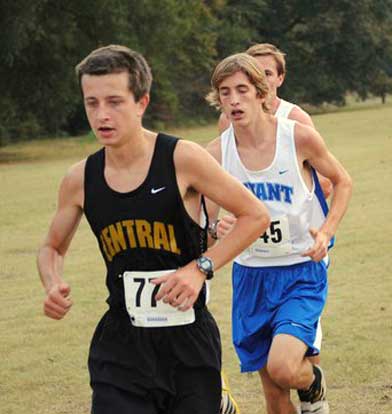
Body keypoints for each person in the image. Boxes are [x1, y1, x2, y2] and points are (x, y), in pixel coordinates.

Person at [37, 45, 270, 414]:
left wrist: (200, 269)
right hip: (122, 343)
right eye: (92, 103)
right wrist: (52, 282)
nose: (102, 115)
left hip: (187, 339)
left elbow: (255, 216)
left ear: (142, 101)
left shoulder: (182, 158)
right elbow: (52, 246)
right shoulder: (80, 178)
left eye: (114, 101)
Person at [205, 53, 352, 414]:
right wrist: (216, 228)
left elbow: (342, 181)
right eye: (225, 93)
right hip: (251, 276)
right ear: (218, 100)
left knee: (284, 367)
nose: (234, 100)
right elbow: (204, 230)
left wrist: (326, 231)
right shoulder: (214, 155)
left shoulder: (297, 137)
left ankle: (313, 383)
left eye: (242, 90)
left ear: (261, 92)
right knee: (273, 394)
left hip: (300, 271)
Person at [218, 43, 332, 199]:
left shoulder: (296, 118)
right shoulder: (228, 120)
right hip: (251, 218)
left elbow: (325, 185)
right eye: (253, 74)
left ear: (280, 78)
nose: (261, 80)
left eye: (267, 73)